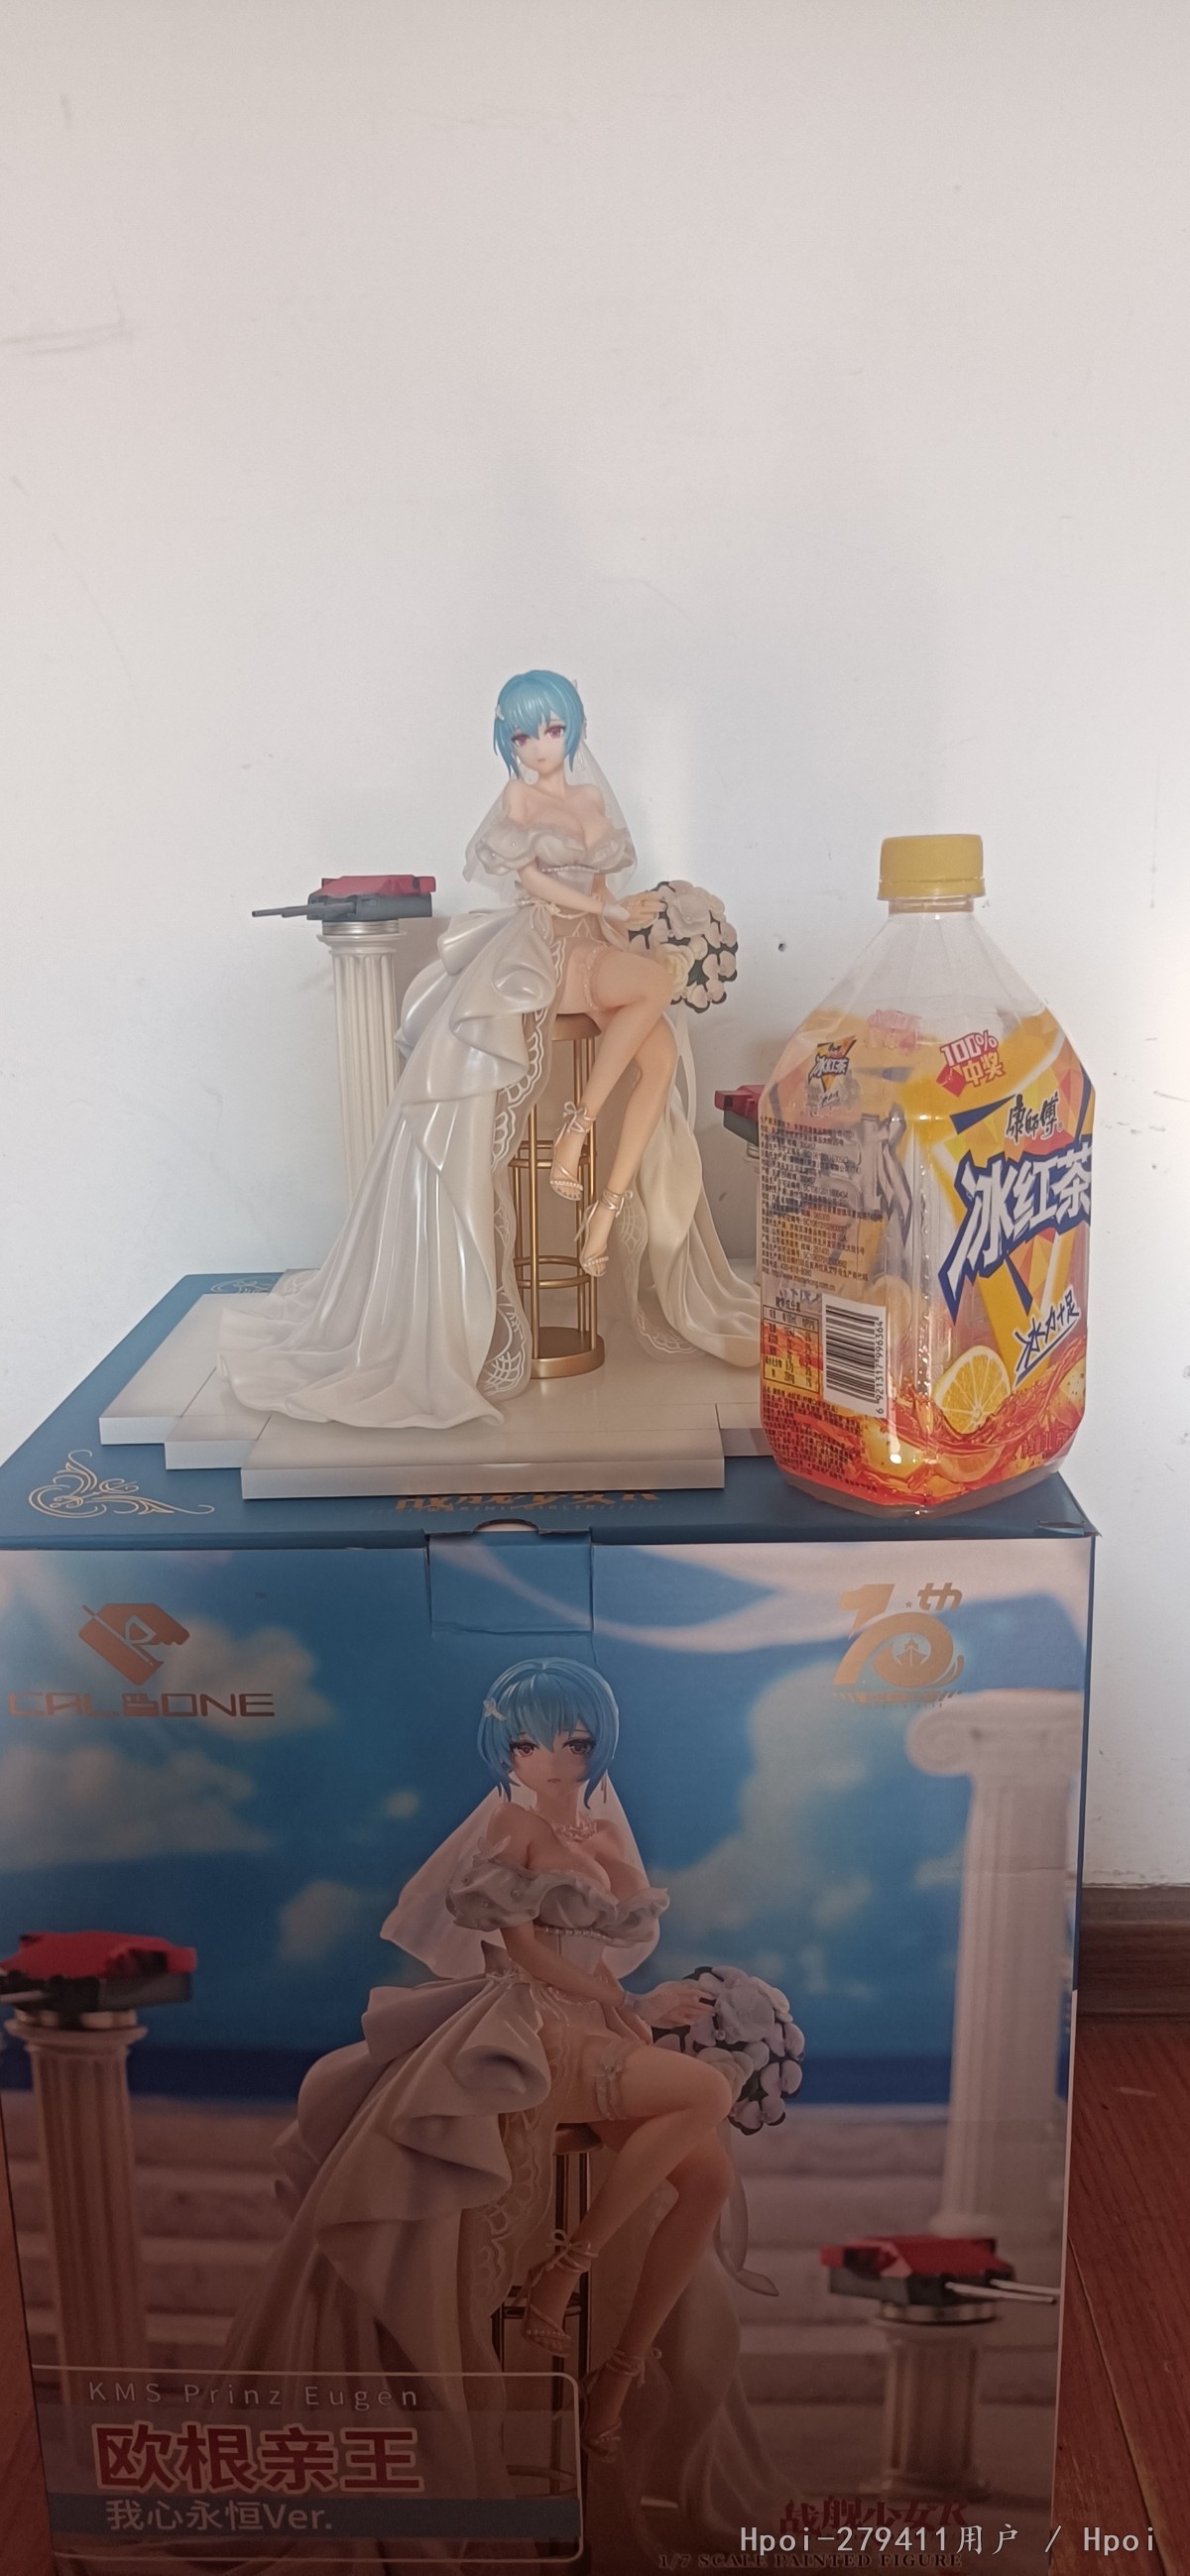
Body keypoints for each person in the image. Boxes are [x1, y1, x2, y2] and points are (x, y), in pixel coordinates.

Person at [218, 1658, 784, 2569]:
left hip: (592, 2027)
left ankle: (616, 2382)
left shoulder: (597, 1826)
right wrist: (626, 2005)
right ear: (506, 1748)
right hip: (533, 2030)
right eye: (528, 1743)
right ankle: (566, 2269)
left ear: (596, 1745)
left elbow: (609, 1943)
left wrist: (635, 1987)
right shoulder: (509, 1826)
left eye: (573, 1741)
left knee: (708, 2177)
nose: (551, 1758)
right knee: (705, 2092)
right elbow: (524, 1954)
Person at [219, 671, 758, 1430]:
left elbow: (606, 890)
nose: (538, 748)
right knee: (648, 989)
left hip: (595, 947)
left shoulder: (592, 802)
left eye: (551, 731)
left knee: (661, 1053)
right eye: (522, 736)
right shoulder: (518, 802)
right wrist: (602, 908)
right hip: (547, 952)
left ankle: (605, 1213)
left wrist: (632, 914)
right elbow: (535, 880)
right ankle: (575, 1134)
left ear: (572, 729)